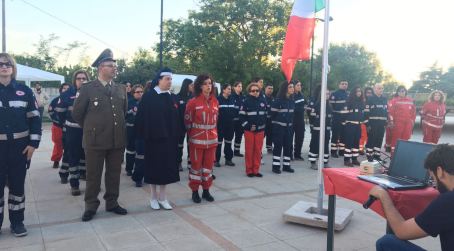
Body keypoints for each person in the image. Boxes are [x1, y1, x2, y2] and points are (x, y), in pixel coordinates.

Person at [72, 49, 128, 221]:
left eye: (115, 66)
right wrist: (91, 128)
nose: (114, 69)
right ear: (100, 68)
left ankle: (112, 202)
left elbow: (123, 112)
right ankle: (91, 206)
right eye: (110, 66)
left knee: (114, 174)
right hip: (95, 140)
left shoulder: (120, 88)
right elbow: (77, 114)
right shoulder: (88, 88)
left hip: (116, 139)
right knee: (93, 175)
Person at [371, 144, 454, 251]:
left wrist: (383, 196)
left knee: (386, 242)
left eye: (433, 178)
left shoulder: (448, 201)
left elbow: (401, 231)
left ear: (439, 171)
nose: (435, 185)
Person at [0, 53, 41, 236]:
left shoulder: (25, 91)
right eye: (0, 64)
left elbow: (35, 119)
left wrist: (33, 144)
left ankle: (17, 223)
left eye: (7, 64)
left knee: (17, 187)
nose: (4, 67)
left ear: (13, 67)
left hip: (19, 148)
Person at [135, 68, 181, 210]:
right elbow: (140, 119)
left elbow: (176, 117)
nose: (170, 82)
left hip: (169, 139)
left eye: (171, 79)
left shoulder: (171, 97)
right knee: (154, 169)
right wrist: (142, 136)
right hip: (153, 140)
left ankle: (163, 197)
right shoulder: (149, 97)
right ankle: (153, 197)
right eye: (167, 79)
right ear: (159, 80)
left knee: (166, 169)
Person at [184, 74, 218, 203]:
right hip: (197, 141)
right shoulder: (193, 102)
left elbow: (216, 121)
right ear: (199, 86)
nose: (208, 86)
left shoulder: (215, 101)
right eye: (205, 83)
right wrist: (194, 134)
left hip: (212, 141)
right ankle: (194, 191)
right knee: (196, 167)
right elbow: (187, 122)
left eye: (210, 83)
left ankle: (206, 190)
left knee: (208, 168)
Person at [57, 70, 89, 195]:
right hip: (72, 131)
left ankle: (86, 177)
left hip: (88, 131)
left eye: (84, 78)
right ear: (74, 80)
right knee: (73, 157)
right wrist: (65, 124)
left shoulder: (91, 93)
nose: (81, 80)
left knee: (86, 156)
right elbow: (59, 112)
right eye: (79, 78)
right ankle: (74, 184)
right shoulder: (67, 94)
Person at [239, 83, 267, 177]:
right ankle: (249, 171)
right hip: (249, 130)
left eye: (257, 90)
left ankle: (256, 170)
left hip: (260, 130)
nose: (255, 92)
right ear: (249, 92)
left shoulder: (263, 101)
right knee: (249, 150)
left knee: (258, 151)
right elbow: (241, 117)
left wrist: (264, 126)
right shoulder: (245, 101)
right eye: (253, 91)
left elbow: (266, 115)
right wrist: (248, 126)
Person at [271, 81, 295, 174]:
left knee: (288, 146)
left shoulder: (292, 100)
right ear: (285, 88)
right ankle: (276, 166)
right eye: (290, 87)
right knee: (278, 146)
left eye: (293, 87)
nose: (292, 89)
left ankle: (286, 165)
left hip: (289, 128)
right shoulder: (278, 101)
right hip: (279, 127)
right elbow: (272, 114)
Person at [307, 85, 332, 170]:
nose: (327, 95)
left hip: (326, 130)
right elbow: (312, 117)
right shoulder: (317, 105)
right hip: (317, 129)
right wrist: (314, 125)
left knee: (325, 146)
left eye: (328, 94)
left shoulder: (329, 106)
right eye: (325, 94)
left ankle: (325, 162)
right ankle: (313, 162)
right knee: (315, 145)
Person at [342, 86, 366, 167]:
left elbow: (363, 114)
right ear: (353, 92)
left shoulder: (362, 102)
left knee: (356, 142)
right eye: (357, 91)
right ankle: (347, 160)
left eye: (360, 91)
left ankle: (354, 159)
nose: (359, 93)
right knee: (349, 142)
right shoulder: (349, 101)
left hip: (358, 124)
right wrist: (344, 123)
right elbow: (344, 113)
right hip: (350, 124)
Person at [48, 83, 70, 169]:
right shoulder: (55, 100)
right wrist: (58, 121)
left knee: (69, 145)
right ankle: (56, 160)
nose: (66, 90)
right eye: (64, 88)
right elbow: (50, 112)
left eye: (68, 88)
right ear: (61, 90)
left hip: (69, 127)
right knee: (58, 145)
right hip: (57, 126)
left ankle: (69, 162)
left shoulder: (73, 100)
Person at [388, 85, 416, 153]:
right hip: (398, 123)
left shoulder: (410, 100)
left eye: (403, 91)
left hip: (408, 123)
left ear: (405, 92)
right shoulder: (394, 101)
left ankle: (402, 154)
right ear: (397, 92)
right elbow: (390, 112)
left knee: (405, 139)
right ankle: (393, 155)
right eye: (400, 91)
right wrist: (391, 121)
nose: (401, 92)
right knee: (396, 139)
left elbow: (413, 112)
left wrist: (412, 121)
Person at [365, 84, 388, 162]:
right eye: (379, 88)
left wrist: (387, 121)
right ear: (374, 89)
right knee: (372, 139)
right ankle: (369, 155)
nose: (380, 90)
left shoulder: (384, 99)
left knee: (379, 139)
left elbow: (386, 111)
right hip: (373, 123)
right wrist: (367, 124)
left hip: (381, 123)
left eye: (382, 88)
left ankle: (377, 155)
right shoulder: (370, 99)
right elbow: (366, 113)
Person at [125, 84, 144, 181]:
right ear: (133, 93)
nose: (140, 93)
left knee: (140, 152)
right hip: (130, 130)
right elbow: (124, 115)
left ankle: (138, 169)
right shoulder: (129, 102)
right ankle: (129, 168)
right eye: (138, 92)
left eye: (141, 92)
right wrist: (131, 111)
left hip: (141, 131)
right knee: (130, 150)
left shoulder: (145, 102)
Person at [215, 84, 236, 167]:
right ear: (223, 90)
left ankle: (228, 159)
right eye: (228, 89)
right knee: (218, 144)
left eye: (230, 89)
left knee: (228, 143)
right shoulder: (218, 100)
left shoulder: (232, 99)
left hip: (230, 125)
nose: (230, 90)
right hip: (220, 125)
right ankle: (216, 160)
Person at [176, 78, 194, 171]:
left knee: (190, 144)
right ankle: (178, 162)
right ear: (186, 85)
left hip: (191, 126)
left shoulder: (193, 97)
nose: (193, 86)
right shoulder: (178, 97)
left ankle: (190, 163)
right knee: (179, 145)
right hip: (180, 125)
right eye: (191, 85)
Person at [329, 81, 349, 158]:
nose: (344, 85)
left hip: (346, 118)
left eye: (346, 84)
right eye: (342, 84)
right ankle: (333, 151)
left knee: (344, 135)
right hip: (337, 117)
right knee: (335, 135)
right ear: (339, 85)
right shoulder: (334, 94)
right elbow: (331, 106)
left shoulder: (348, 94)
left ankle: (341, 151)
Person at [292, 80, 307, 160]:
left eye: (300, 85)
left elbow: (305, 104)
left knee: (300, 137)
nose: (299, 87)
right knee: (289, 138)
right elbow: (292, 108)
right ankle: (289, 154)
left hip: (300, 121)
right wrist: (302, 108)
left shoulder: (301, 95)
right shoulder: (291, 96)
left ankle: (297, 154)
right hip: (292, 120)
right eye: (298, 85)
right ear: (293, 86)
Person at [231, 81, 245, 157]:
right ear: (234, 88)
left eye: (241, 86)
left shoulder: (243, 97)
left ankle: (237, 151)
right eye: (239, 86)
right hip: (233, 120)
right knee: (230, 136)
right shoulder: (232, 96)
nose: (240, 88)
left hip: (240, 120)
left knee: (239, 136)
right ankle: (229, 151)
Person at [359, 87, 374, 155]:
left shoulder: (373, 101)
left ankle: (367, 148)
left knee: (369, 137)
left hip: (371, 122)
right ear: (365, 93)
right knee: (363, 136)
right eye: (368, 93)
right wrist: (366, 123)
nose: (369, 94)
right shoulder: (363, 101)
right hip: (363, 122)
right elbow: (363, 113)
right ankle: (360, 149)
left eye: (371, 93)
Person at [264, 83, 274, 153]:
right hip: (264, 120)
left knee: (270, 134)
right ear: (265, 89)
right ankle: (258, 149)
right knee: (262, 135)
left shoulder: (273, 99)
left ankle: (269, 148)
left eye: (271, 89)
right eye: (269, 88)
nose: (270, 90)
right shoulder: (262, 98)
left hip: (271, 120)